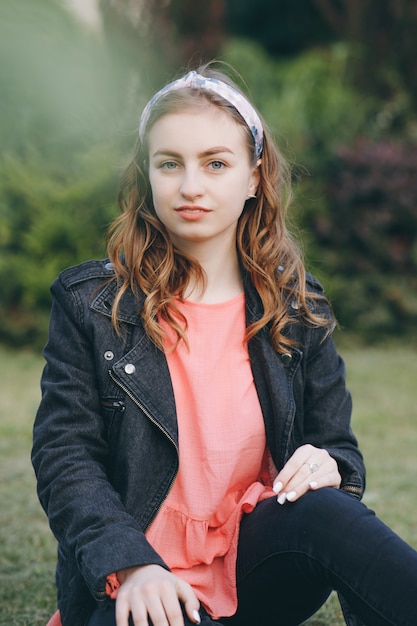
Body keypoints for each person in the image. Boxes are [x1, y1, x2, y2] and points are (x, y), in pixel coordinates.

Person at [32, 63, 417, 626]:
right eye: (170, 164)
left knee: (327, 511)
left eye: (216, 163)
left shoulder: (296, 306)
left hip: (254, 566)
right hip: (140, 588)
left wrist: (327, 464)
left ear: (254, 177)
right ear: (147, 175)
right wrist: (131, 565)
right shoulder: (91, 304)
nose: (191, 186)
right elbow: (64, 458)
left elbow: (337, 448)